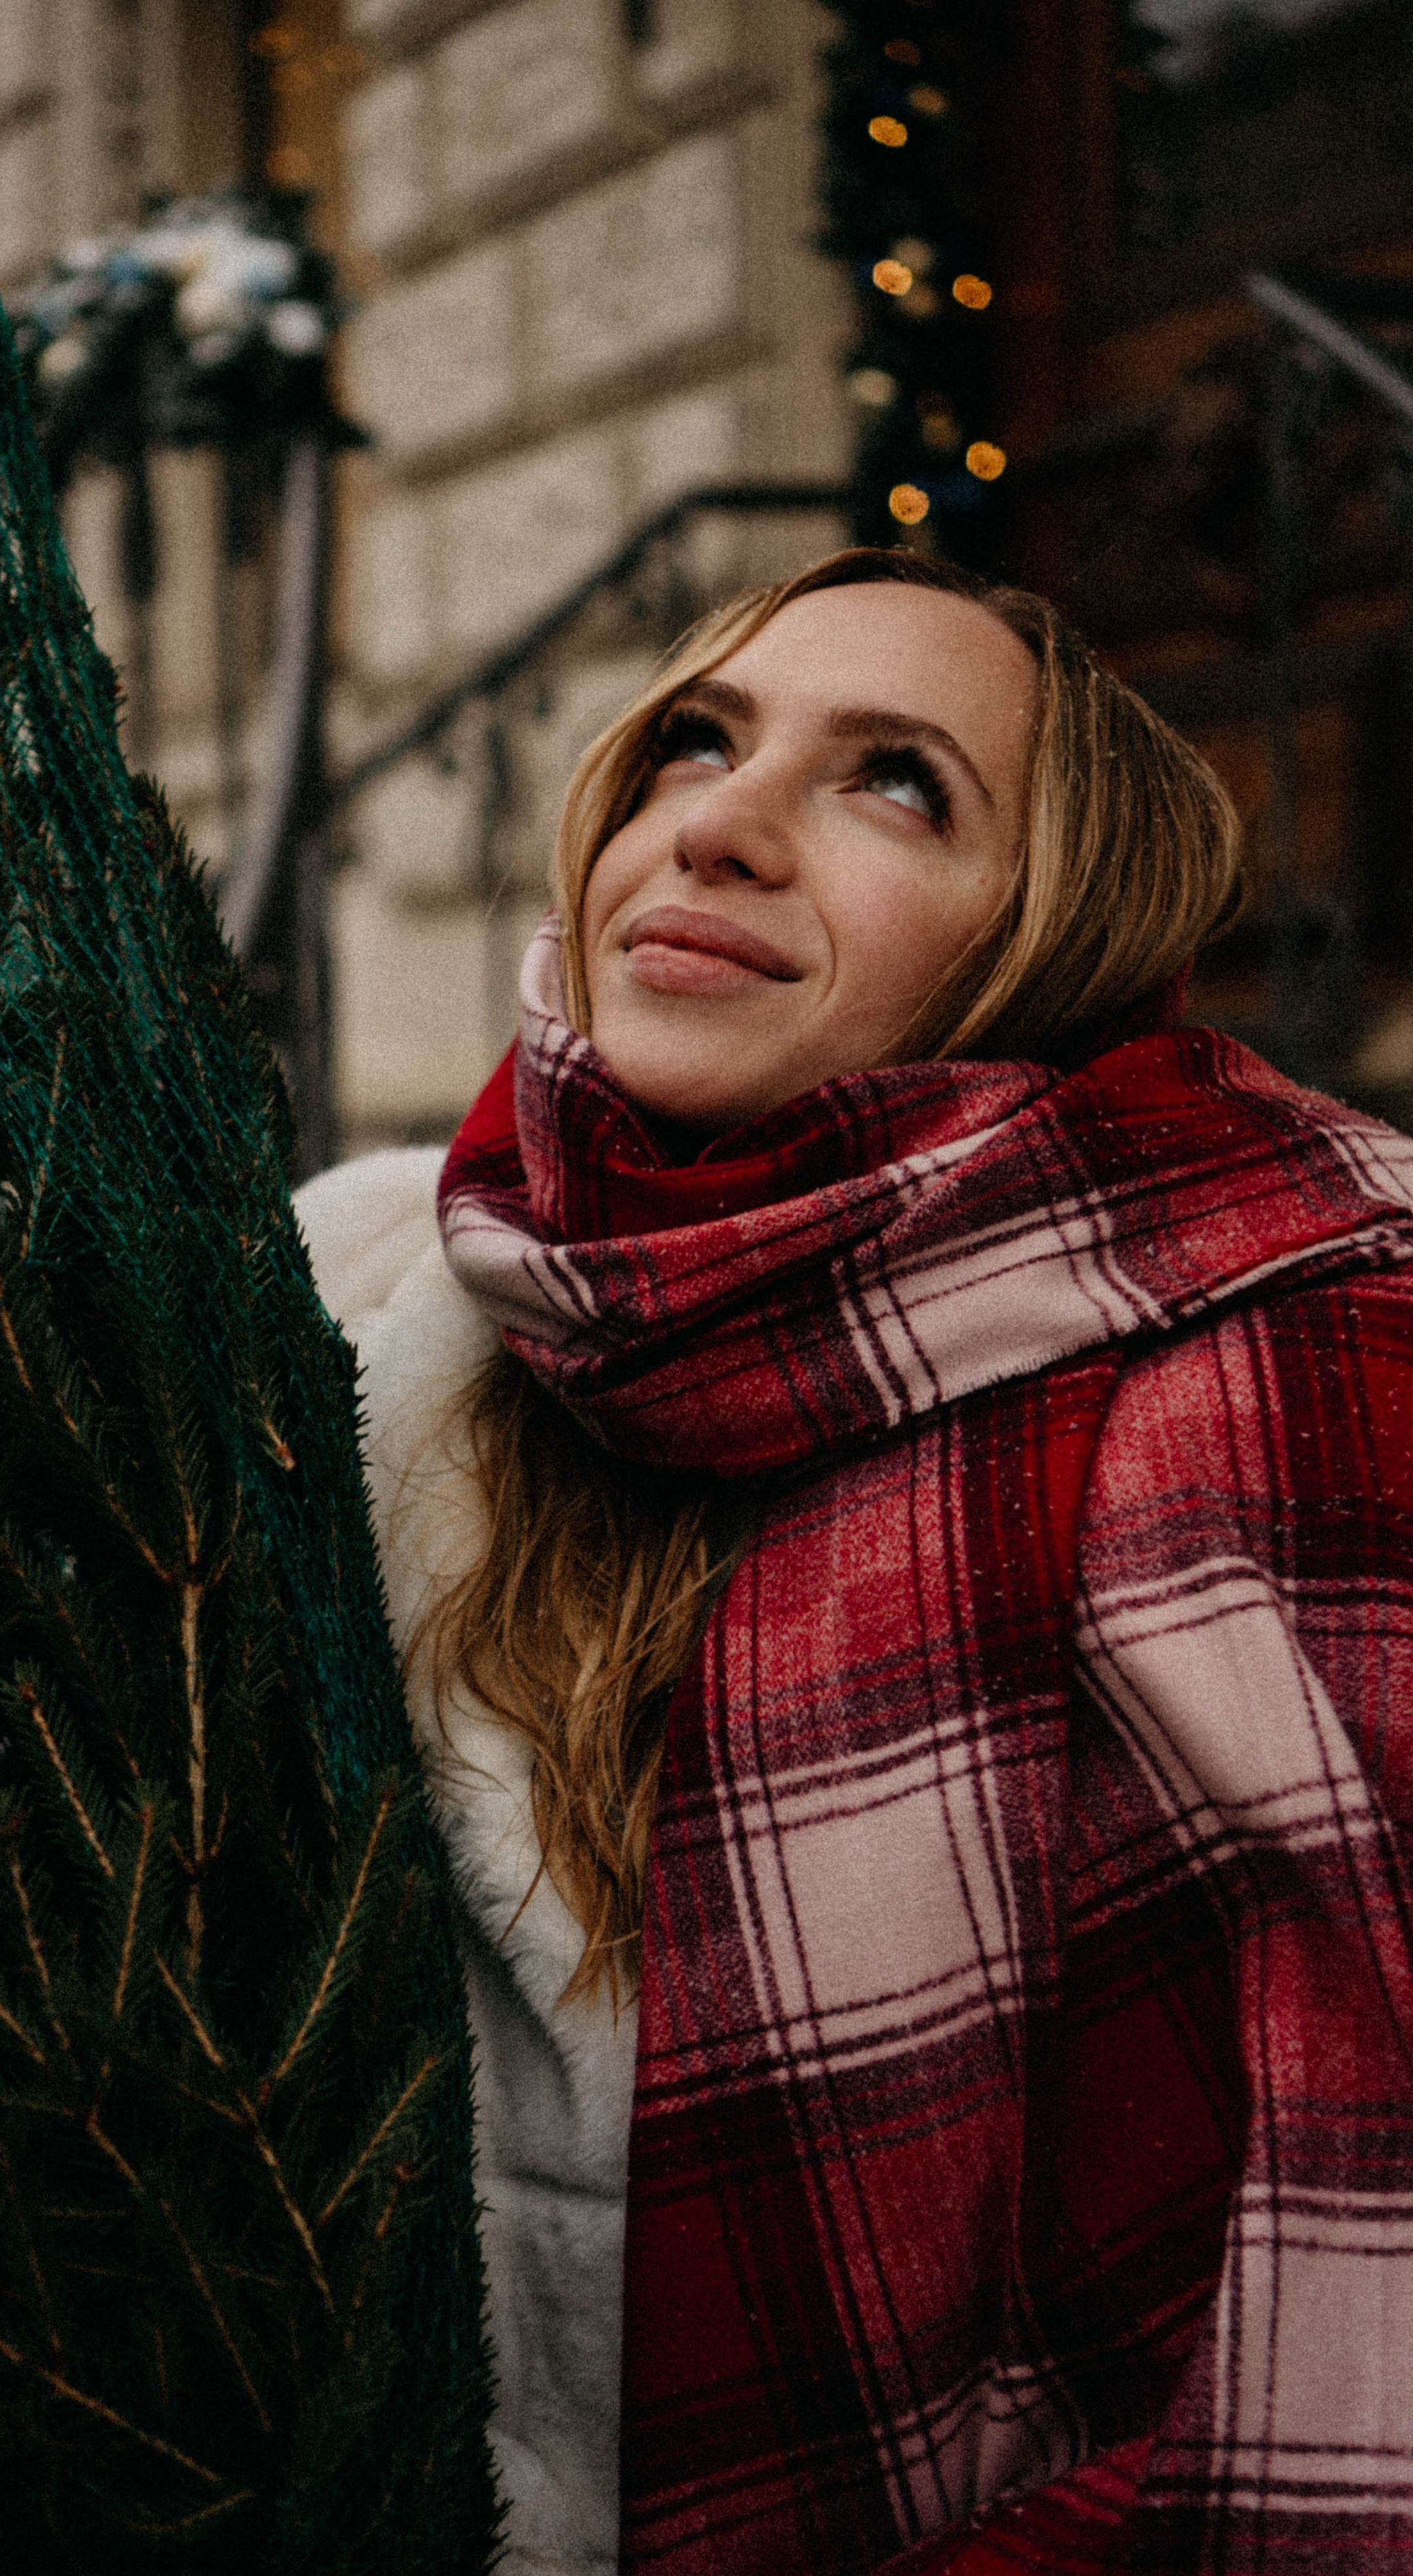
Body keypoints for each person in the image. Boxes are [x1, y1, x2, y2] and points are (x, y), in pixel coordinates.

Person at [295, 547, 1413, 2576]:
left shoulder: (1286, 1361)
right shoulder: (386, 1298)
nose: (713, 826)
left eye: (897, 783)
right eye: (692, 744)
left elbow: (1353, 2273)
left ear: (1045, 949)